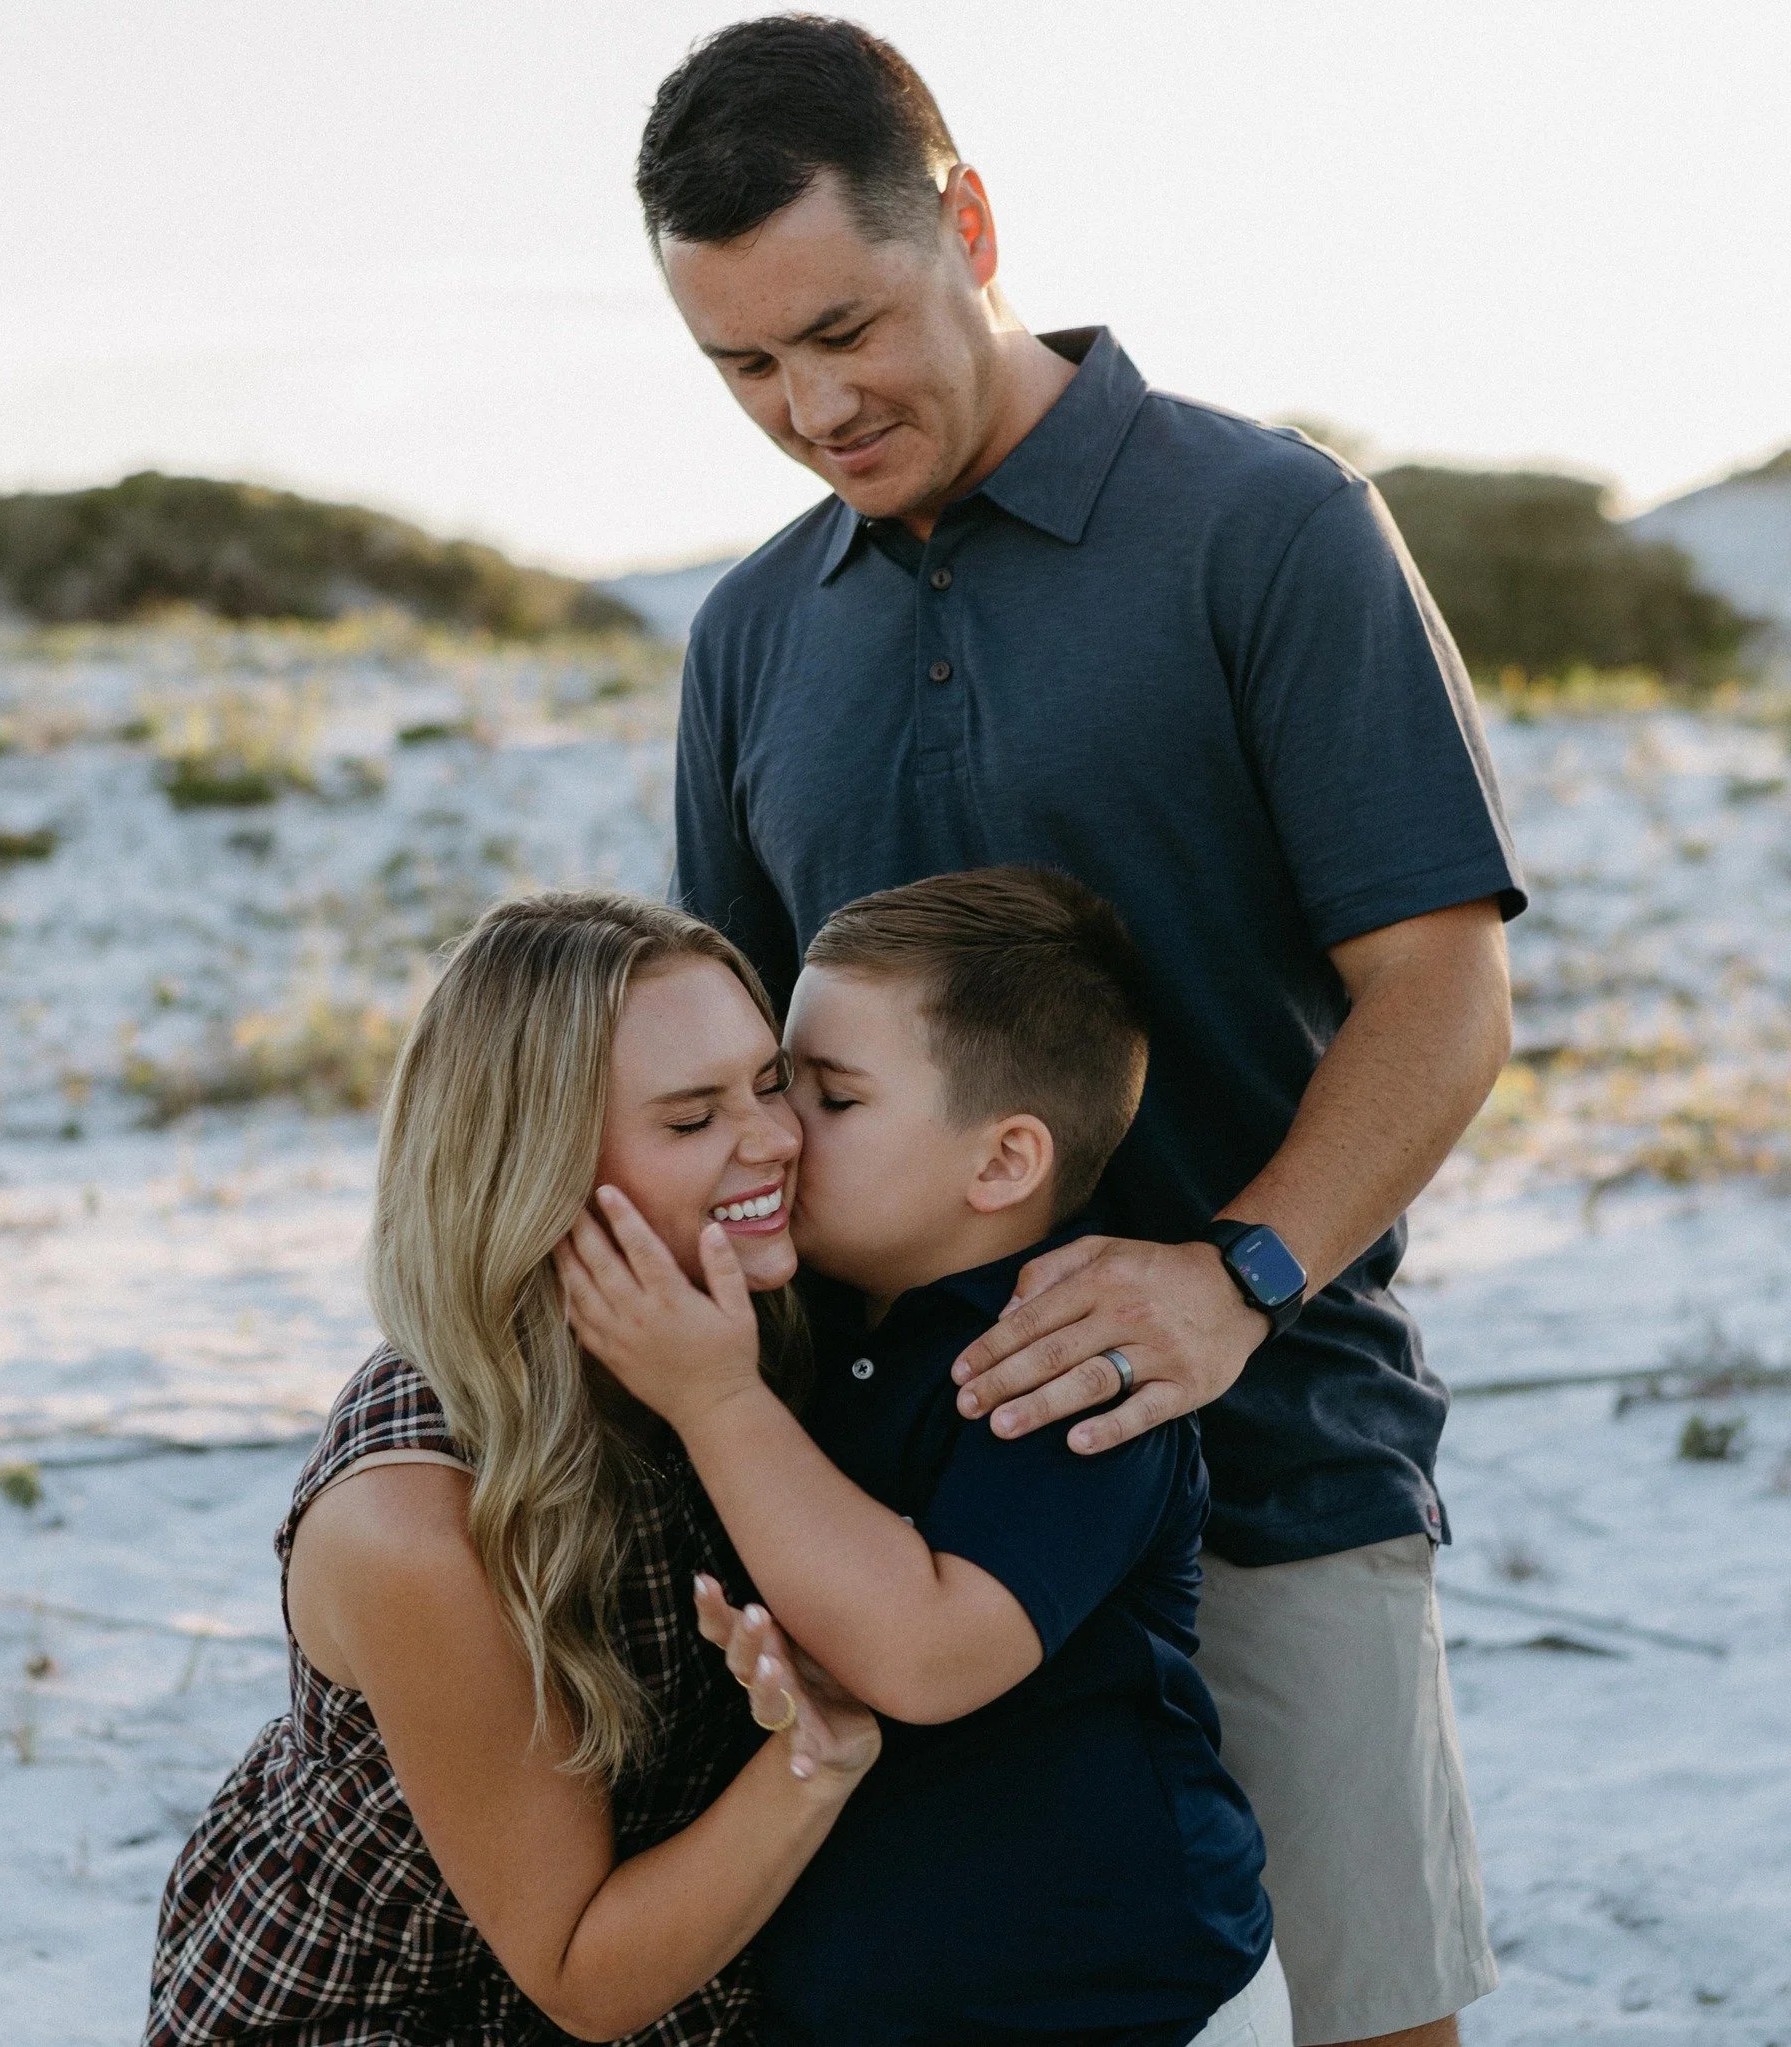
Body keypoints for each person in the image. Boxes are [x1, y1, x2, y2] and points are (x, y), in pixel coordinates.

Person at [639, 20, 1523, 2047]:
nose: (811, 405)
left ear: (967, 219)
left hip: (1282, 1442)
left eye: (843, 328)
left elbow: (1444, 985)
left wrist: (1237, 1275)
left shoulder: (1269, 525)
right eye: (745, 367)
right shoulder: (749, 636)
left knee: (1375, 2021)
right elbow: (723, 1075)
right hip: (894, 1514)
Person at [562, 867, 1289, 2047]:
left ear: (1001, 1162)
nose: (780, 1130)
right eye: (772, 1083)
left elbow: (924, 1654)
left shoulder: (1063, 1362)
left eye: (832, 1098)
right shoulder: (813, 1324)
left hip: (1120, 2001)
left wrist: (712, 1398)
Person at [147, 892, 879, 2046]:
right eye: (690, 1120)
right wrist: (817, 1761)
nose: (776, 1140)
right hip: (401, 2013)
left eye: (769, 1081)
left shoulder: (751, 1313)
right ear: (536, 1171)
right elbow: (580, 1976)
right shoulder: (418, 1522)